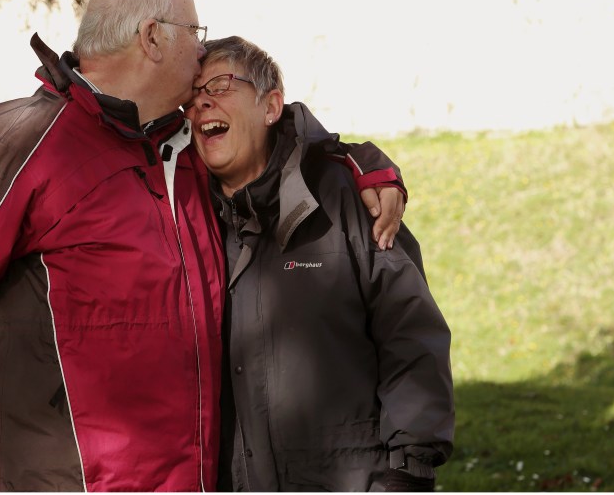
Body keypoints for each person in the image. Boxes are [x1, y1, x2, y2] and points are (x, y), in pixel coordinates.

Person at [0, 0, 409, 491]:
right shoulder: (28, 138)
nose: (202, 53)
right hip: (62, 479)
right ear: (153, 38)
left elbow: (276, 146)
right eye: (196, 34)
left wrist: (360, 165)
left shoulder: (184, 146)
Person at [185, 36, 454, 492]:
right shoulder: (183, 216)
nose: (202, 102)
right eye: (191, 96)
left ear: (271, 106)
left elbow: (410, 334)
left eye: (222, 84)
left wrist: (407, 471)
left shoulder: (346, 195)